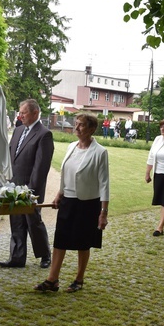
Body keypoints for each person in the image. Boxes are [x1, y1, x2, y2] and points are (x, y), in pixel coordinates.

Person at [34, 113, 109, 293]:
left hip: (88, 203)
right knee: (60, 240)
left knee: (83, 243)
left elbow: (104, 183)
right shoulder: (71, 147)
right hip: (68, 200)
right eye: (76, 124)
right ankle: (52, 280)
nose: (76, 128)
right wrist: (60, 193)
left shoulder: (100, 152)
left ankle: (79, 279)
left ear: (91, 129)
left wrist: (103, 212)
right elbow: (66, 173)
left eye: (81, 125)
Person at [0, 99, 54, 269]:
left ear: (35, 113)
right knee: (15, 221)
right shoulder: (18, 131)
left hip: (31, 188)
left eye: (23, 112)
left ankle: (45, 255)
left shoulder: (44, 134)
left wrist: (31, 190)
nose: (19, 115)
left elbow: (41, 166)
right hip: (13, 185)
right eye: (19, 112)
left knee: (33, 221)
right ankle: (17, 257)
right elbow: (10, 157)